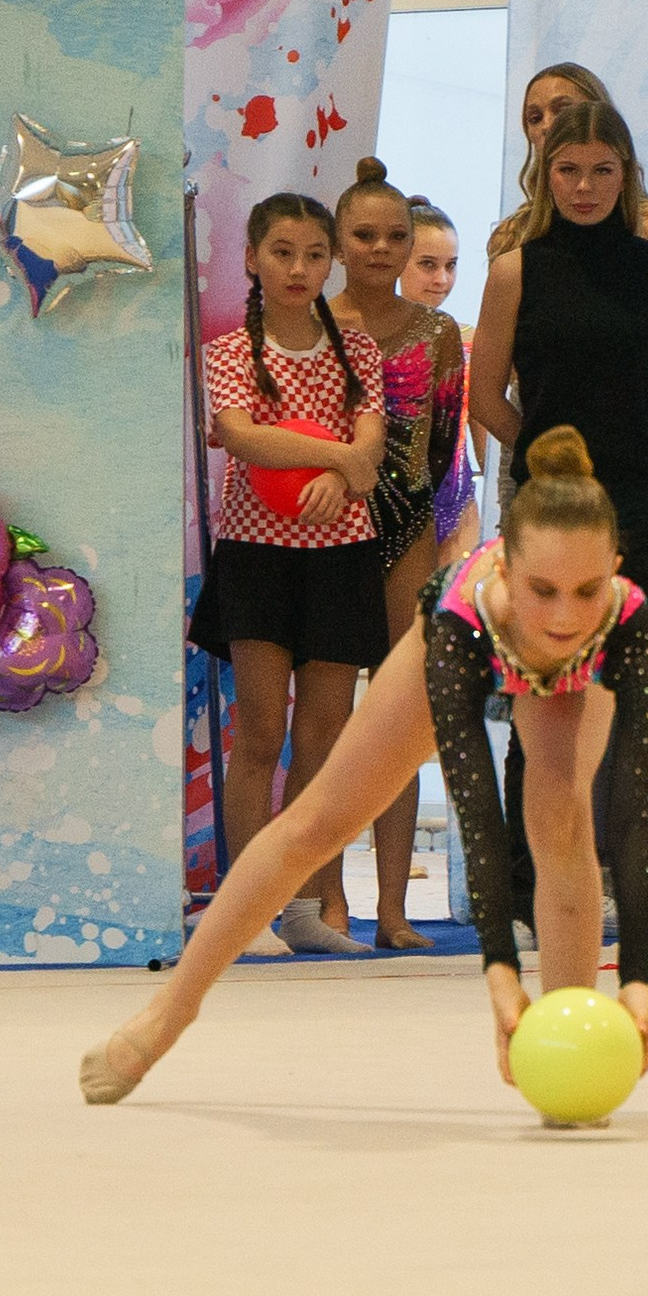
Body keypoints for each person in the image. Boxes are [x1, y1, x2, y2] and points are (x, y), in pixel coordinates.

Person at [84, 426, 648, 1106]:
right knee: (316, 825)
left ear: (616, 571)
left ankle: (567, 1042)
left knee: (564, 823)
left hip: (572, 682)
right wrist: (501, 978)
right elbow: (478, 813)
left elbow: (634, 827)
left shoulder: (629, 630)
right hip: (470, 640)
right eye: (543, 590)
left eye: (587, 590)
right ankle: (168, 1014)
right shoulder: (461, 624)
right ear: (506, 572)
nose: (565, 617)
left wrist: (639, 982)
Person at [472, 101, 648, 952]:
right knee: (538, 697)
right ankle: (520, 898)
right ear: (545, 174)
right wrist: (550, 463)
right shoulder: (514, 270)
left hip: (640, 510)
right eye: (568, 170)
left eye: (601, 170)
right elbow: (485, 396)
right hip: (547, 515)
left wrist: (641, 450)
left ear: (627, 174)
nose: (584, 187)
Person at [188, 192, 388, 958]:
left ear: (330, 261)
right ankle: (246, 909)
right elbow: (244, 437)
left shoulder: (357, 351)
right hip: (259, 556)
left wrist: (344, 476)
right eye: (282, 252)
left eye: (313, 254)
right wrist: (340, 459)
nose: (298, 268)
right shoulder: (231, 351)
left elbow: (371, 448)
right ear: (251, 258)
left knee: (324, 740)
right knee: (262, 732)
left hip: (340, 557)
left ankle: (306, 905)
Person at [324, 160, 469, 951]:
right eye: (365, 235)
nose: (380, 249)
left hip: (407, 528)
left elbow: (443, 447)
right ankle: (327, 901)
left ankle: (391, 907)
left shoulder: (437, 333)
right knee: (323, 720)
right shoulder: (313, 320)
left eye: (394, 237)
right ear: (339, 241)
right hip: (322, 528)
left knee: (398, 718)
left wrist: (428, 533)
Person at [489, 63, 648, 267]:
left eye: (562, 111)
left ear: (600, 116)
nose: (547, 125)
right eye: (535, 118)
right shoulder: (511, 237)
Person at [401, 196, 487, 565]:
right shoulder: (367, 339)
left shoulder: (470, 340)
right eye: (428, 265)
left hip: (456, 507)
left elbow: (483, 434)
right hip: (383, 505)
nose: (442, 279)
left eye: (451, 266)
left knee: (449, 600)